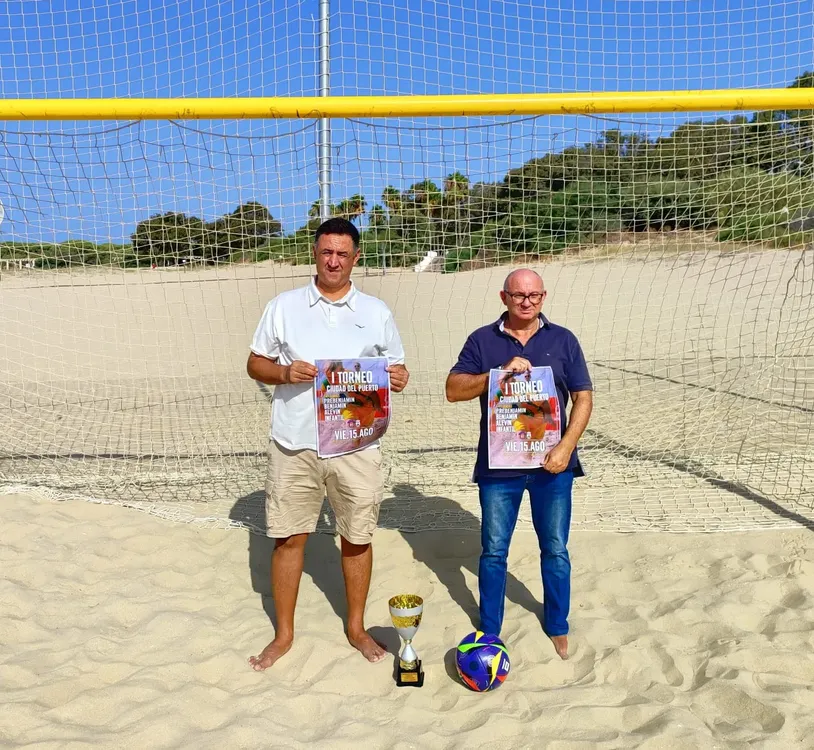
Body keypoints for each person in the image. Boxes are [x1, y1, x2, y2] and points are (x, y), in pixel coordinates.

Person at [246, 217, 409, 671]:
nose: (333, 260)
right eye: (325, 252)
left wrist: (398, 378)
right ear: (314, 254)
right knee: (289, 537)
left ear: (357, 257)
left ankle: (355, 628)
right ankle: (284, 633)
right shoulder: (283, 306)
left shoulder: (376, 312)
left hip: (357, 445)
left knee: (356, 537)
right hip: (294, 443)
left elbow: (397, 370)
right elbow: (255, 362)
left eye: (342, 253)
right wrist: (283, 373)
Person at [445, 269, 593, 660]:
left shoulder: (563, 340)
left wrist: (566, 447)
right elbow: (453, 390)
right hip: (499, 468)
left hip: (552, 464)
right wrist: (498, 374)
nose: (526, 302)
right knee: (494, 550)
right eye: (518, 295)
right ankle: (490, 629)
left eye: (534, 295)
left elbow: (584, 397)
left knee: (555, 548)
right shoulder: (482, 339)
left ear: (543, 297)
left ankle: (557, 625)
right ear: (504, 297)